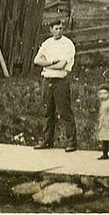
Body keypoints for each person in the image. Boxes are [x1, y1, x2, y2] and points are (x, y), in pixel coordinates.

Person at [32, 20, 78, 152]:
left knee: (64, 112)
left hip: (61, 81)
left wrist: (45, 64)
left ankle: (71, 142)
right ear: (51, 29)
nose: (59, 31)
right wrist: (51, 62)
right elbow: (36, 60)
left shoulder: (67, 44)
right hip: (47, 80)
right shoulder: (47, 43)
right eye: (56, 29)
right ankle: (47, 141)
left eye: (61, 28)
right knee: (48, 111)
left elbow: (62, 65)